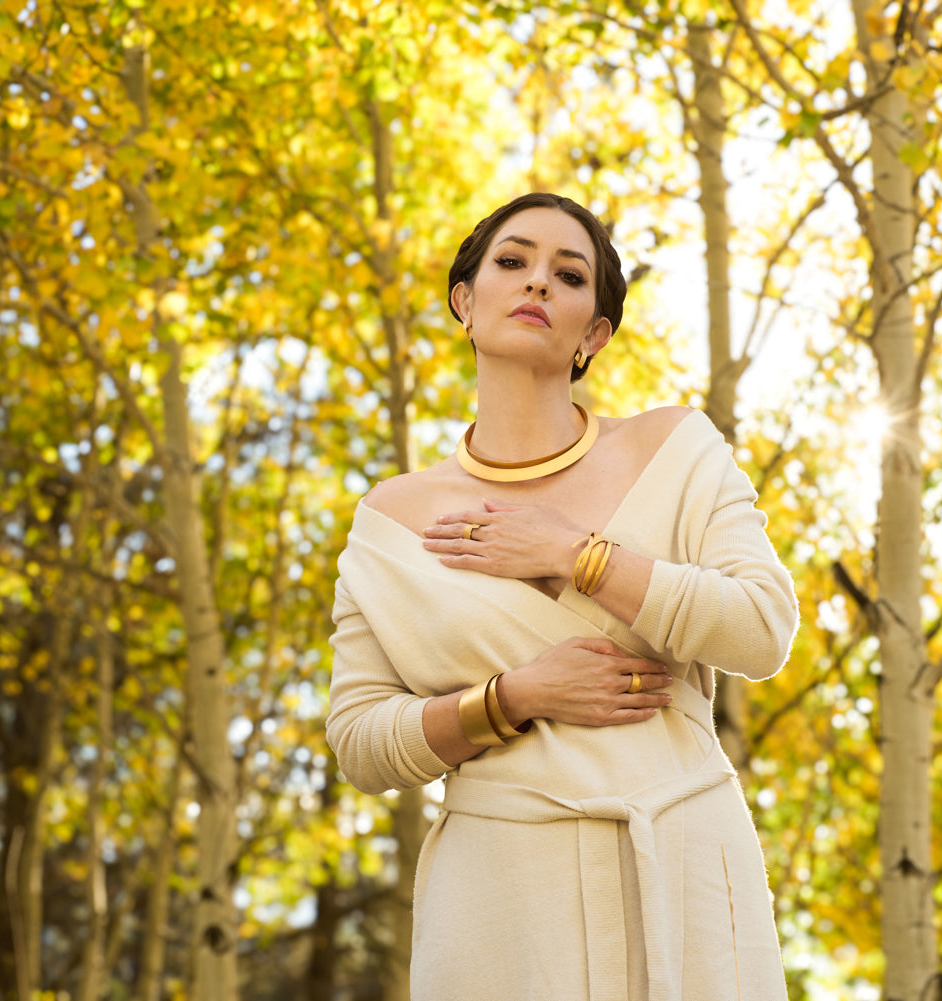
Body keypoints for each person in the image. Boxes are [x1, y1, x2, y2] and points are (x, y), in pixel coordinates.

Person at [325, 192, 799, 1001]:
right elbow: (359, 740)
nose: (537, 282)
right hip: (503, 892)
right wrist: (515, 696)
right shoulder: (390, 521)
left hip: (683, 859)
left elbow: (762, 629)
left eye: (568, 274)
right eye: (512, 262)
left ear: (594, 334)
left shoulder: (676, 447)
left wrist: (576, 556)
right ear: (464, 303)